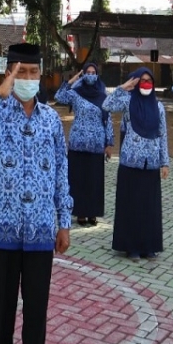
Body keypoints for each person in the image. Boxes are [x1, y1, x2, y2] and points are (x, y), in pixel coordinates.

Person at [0, 43, 72, 344]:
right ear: (9, 74)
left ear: (41, 75)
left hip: (41, 228)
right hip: (2, 228)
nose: (27, 77)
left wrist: (64, 221)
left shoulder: (51, 120)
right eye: (19, 72)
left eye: (32, 72)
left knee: (37, 304)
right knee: (2, 304)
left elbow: (61, 171)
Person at [104, 68, 169, 259]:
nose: (146, 84)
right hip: (130, 163)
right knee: (131, 206)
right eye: (142, 81)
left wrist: (164, 162)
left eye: (149, 80)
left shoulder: (159, 107)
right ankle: (131, 247)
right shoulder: (127, 101)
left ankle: (149, 246)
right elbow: (106, 105)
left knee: (149, 207)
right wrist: (124, 87)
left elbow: (162, 135)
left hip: (152, 163)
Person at [54, 62, 113, 226]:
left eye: (94, 72)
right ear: (83, 74)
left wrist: (109, 143)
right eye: (88, 72)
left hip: (97, 144)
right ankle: (79, 212)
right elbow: (59, 96)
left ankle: (92, 213)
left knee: (94, 180)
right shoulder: (75, 93)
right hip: (77, 143)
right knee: (78, 180)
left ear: (97, 75)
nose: (91, 75)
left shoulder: (103, 95)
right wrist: (72, 80)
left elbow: (107, 120)